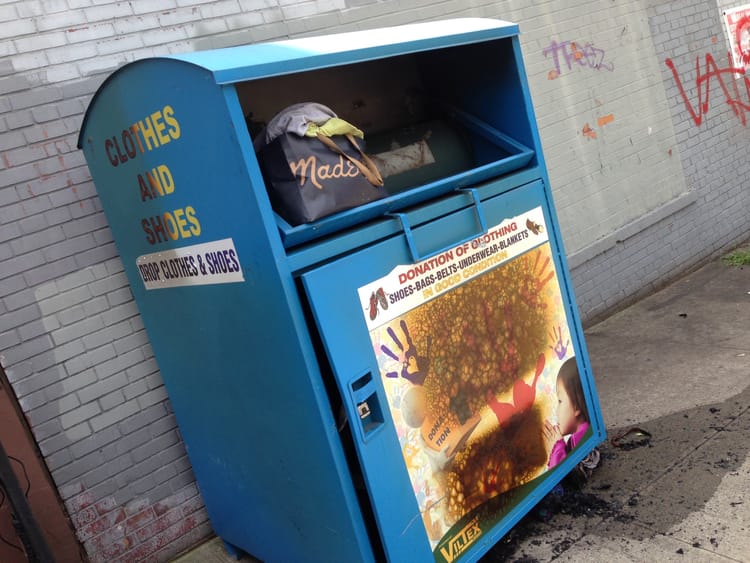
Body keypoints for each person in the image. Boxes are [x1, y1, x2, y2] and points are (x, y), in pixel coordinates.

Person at [543, 357, 590, 469]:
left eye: (560, 401)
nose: (556, 411)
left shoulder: (582, 436)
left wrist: (556, 448)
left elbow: (568, 477)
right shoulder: (582, 434)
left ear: (576, 406)